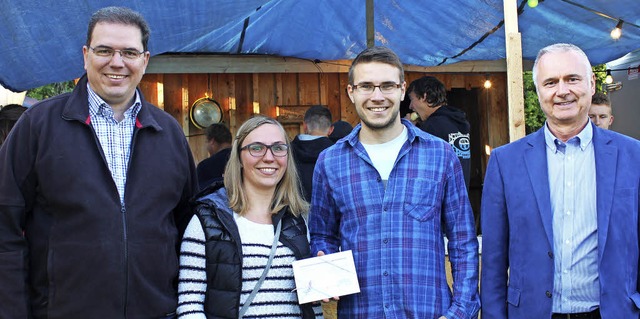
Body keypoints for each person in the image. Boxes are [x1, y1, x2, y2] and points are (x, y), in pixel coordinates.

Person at [0, 7, 197, 318]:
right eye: (104, 50)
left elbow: (187, 227)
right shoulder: (38, 126)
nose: (116, 62)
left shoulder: (169, 133)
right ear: (85, 55)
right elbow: (5, 228)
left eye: (129, 52)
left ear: (144, 61)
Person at [309, 46, 480, 319]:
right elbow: (322, 235)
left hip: (431, 312)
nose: (377, 96)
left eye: (387, 86)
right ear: (351, 92)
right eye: (366, 86)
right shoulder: (330, 162)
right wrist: (324, 259)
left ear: (402, 91)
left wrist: (460, 311)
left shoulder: (440, 154)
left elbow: (463, 240)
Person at [481, 43, 640, 319]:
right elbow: (493, 261)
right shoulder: (505, 162)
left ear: (591, 84)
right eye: (551, 82)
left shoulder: (634, 156)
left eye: (572, 79)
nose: (562, 90)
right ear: (539, 91)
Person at [177, 115, 324, 318]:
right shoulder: (207, 221)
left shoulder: (302, 221)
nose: (269, 157)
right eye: (256, 148)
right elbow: (189, 307)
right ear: (238, 157)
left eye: (278, 148)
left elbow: (313, 307)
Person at [407, 76, 471, 189]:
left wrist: (409, 128)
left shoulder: (432, 126)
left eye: (412, 99)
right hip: (460, 196)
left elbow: (417, 163)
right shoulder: (459, 122)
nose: (410, 106)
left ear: (424, 96)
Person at [291, 105, 334, 201]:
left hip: (293, 212)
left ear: (304, 126)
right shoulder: (339, 154)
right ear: (331, 129)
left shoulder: (287, 151)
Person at [196, 123, 232, 190]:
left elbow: (198, 194)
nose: (206, 146)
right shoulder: (243, 159)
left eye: (206, 142)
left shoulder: (204, 166)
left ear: (212, 141)